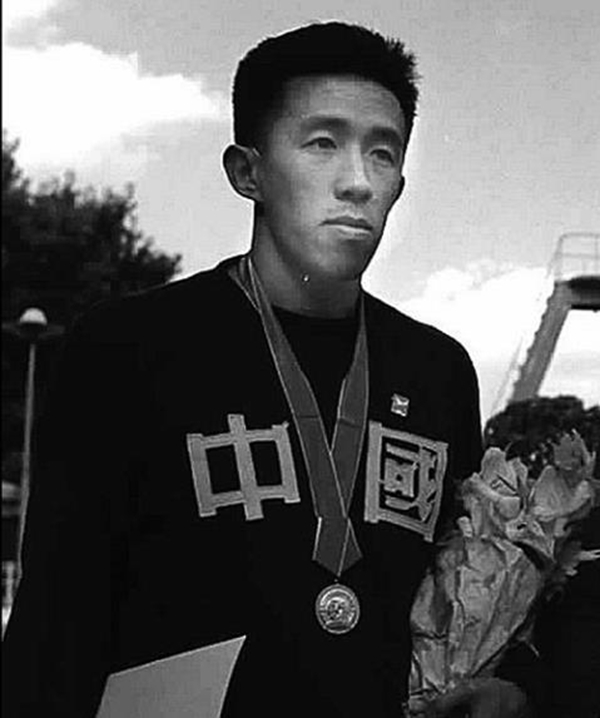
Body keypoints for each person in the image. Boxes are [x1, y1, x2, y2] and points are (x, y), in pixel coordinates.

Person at [2, 22, 532, 717]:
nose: (358, 181)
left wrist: (514, 688)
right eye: (322, 144)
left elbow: (464, 586)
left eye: (383, 153)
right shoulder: (128, 348)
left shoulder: (438, 370)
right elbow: (55, 626)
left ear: (400, 184)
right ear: (246, 172)